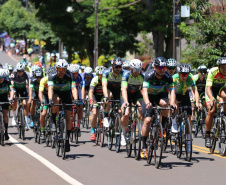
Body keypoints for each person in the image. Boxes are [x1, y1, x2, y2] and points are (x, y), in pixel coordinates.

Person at [142, 57, 176, 158]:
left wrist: (173, 103)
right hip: (149, 97)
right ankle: (144, 147)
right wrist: (147, 102)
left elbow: (172, 91)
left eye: (164, 67)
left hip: (160, 95)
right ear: (155, 67)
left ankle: (163, 126)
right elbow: (144, 91)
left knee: (165, 105)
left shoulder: (168, 77)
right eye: (159, 67)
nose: (162, 70)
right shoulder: (148, 75)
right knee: (147, 121)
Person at [48, 59, 78, 152]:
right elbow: (50, 88)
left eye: (64, 70)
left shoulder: (70, 75)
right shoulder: (52, 75)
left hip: (66, 94)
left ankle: (67, 140)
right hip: (56, 93)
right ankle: (53, 121)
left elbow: (73, 88)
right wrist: (50, 99)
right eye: (60, 70)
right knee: (55, 101)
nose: (62, 72)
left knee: (68, 117)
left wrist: (76, 100)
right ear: (56, 68)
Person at [121, 59, 144, 146]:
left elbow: (145, 89)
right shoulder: (126, 75)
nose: (137, 72)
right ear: (131, 69)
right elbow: (124, 89)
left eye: (139, 69)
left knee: (141, 108)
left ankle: (141, 129)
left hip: (136, 95)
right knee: (126, 113)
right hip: (126, 94)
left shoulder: (142, 76)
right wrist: (126, 102)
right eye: (135, 70)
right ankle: (123, 134)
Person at [205, 57, 226, 148]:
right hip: (211, 91)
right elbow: (208, 88)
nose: (225, 69)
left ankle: (223, 121)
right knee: (211, 110)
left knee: (224, 99)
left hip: (221, 89)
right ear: (219, 67)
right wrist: (211, 98)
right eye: (223, 67)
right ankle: (208, 135)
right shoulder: (213, 71)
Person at [102, 58, 124, 127]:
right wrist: (106, 97)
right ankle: (105, 116)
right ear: (112, 66)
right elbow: (104, 85)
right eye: (116, 67)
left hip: (118, 90)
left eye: (119, 66)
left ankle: (118, 129)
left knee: (120, 112)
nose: (118, 68)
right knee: (109, 96)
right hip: (109, 89)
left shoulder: (123, 73)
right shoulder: (106, 72)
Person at [11, 63, 30, 130]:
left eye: (21, 71)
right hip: (16, 88)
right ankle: (14, 117)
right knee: (14, 101)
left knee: (25, 104)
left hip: (23, 89)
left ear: (24, 70)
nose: (20, 72)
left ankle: (26, 122)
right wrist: (13, 93)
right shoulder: (14, 74)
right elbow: (12, 84)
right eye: (18, 71)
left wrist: (29, 93)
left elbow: (29, 84)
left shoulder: (26, 74)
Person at [68, 64, 85, 137]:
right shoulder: (68, 76)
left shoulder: (80, 77)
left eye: (75, 73)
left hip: (77, 91)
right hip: (68, 91)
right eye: (72, 73)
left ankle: (78, 125)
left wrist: (82, 99)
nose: (74, 75)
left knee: (80, 106)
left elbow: (82, 88)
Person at [89, 66, 105, 141]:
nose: (101, 77)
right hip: (95, 96)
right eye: (100, 75)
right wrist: (91, 99)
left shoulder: (107, 80)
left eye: (103, 75)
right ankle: (92, 131)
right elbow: (91, 91)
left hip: (103, 96)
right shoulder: (95, 80)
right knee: (94, 113)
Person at [0, 69, 14, 140]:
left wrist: (11, 99)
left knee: (5, 113)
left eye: (2, 77)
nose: (1, 79)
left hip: (5, 99)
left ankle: (6, 132)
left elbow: (11, 91)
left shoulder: (7, 82)